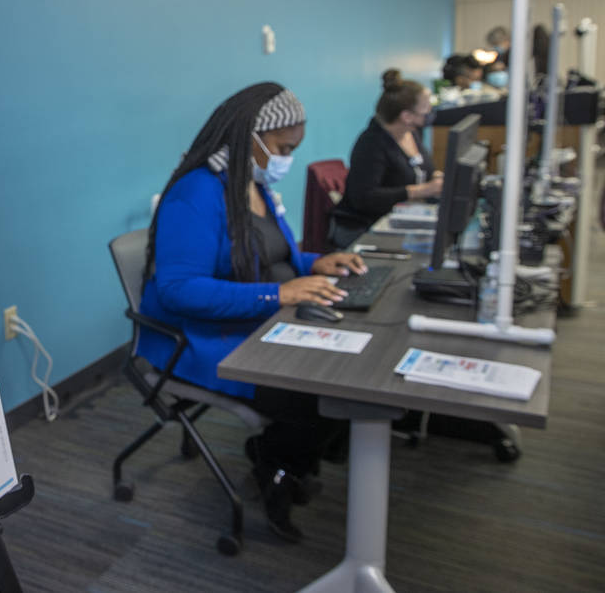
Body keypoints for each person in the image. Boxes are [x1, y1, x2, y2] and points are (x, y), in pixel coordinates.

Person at [138, 82, 363, 543]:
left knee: (347, 371)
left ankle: (284, 459)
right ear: (251, 138)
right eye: (283, 148)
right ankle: (275, 465)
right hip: (205, 340)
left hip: (260, 320)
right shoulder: (196, 194)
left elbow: (274, 255)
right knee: (318, 391)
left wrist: (314, 263)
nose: (287, 159)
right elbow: (179, 290)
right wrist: (276, 296)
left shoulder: (252, 183)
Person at [327, 70, 443, 249]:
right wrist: (419, 191)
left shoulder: (412, 132)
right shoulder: (372, 144)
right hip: (366, 226)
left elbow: (424, 169)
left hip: (405, 218)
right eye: (425, 110)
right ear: (406, 116)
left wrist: (435, 178)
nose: (429, 114)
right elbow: (365, 198)